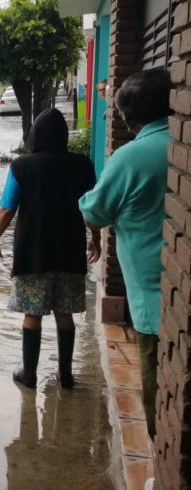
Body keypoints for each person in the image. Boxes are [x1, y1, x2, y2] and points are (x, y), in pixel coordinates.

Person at [79, 68, 173, 437]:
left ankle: (159, 455)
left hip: (154, 292)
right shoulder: (177, 143)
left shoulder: (130, 157)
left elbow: (92, 210)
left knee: (156, 381)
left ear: (127, 116)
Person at [0, 108, 97, 389]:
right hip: (70, 252)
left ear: (35, 135)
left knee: (32, 314)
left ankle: (30, 374)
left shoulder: (21, 167)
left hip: (33, 254)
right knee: (65, 313)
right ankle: (66, 375)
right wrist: (95, 238)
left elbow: (6, 209)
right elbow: (91, 207)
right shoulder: (82, 165)